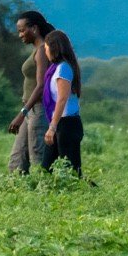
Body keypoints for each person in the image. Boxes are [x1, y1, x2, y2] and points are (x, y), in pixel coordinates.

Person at [6, 9, 55, 175]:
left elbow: (41, 86)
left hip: (38, 111)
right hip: (30, 111)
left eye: (22, 30)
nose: (20, 35)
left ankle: (50, 195)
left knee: (39, 160)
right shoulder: (37, 50)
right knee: (17, 162)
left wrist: (22, 113)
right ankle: (19, 196)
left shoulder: (42, 50)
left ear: (34, 29)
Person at [36, 28, 85, 178]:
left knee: (72, 173)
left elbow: (62, 99)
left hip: (67, 125)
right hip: (61, 124)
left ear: (54, 47)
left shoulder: (63, 68)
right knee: (47, 169)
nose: (45, 52)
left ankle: (97, 195)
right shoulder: (55, 68)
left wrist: (52, 127)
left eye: (46, 48)